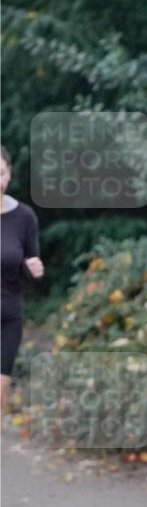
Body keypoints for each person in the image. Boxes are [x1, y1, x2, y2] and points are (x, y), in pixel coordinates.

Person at [1, 145, 44, 413]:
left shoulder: (24, 217)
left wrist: (34, 269)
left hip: (8, 317)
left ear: (10, 173)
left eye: (1, 173)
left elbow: (30, 263)